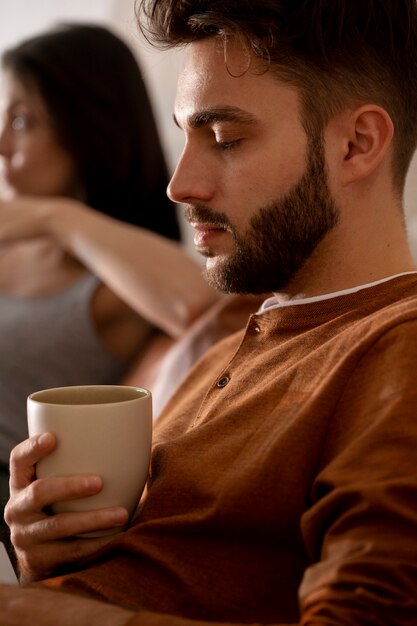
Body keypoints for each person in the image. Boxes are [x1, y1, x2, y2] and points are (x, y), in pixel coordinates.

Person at [2, 0, 417, 623]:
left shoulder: (396, 349)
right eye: (184, 135)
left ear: (357, 145)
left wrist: (50, 615)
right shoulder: (232, 345)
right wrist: (50, 562)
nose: (180, 184)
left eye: (225, 139)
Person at [0, 23, 218, 541]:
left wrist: (56, 218)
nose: (1, 144)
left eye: (23, 121)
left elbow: (203, 306)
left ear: (88, 128)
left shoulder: (117, 285)